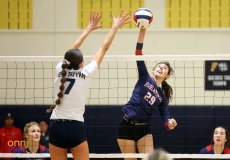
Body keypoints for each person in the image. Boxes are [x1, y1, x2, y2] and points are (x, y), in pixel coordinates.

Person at [46, 11, 130, 160]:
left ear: (66, 61)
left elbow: (72, 50)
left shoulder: (60, 69)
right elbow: (103, 48)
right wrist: (114, 27)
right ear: (82, 63)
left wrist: (88, 29)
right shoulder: (85, 73)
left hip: (56, 126)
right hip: (75, 127)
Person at [117, 28, 177, 160]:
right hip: (127, 125)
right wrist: (142, 31)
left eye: (164, 68)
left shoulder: (161, 96)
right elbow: (138, 53)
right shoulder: (145, 77)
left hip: (144, 129)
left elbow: (166, 119)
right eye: (159, 66)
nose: (161, 68)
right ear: (153, 70)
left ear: (167, 76)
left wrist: (171, 124)